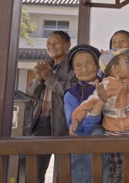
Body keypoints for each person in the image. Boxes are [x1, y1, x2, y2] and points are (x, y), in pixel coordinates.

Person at [70, 48, 129, 183]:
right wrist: (76, 119)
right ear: (116, 69)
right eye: (126, 62)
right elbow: (88, 104)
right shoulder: (105, 86)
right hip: (115, 139)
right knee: (118, 173)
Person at [27, 30, 76, 182]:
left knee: (62, 174)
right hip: (40, 122)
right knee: (34, 171)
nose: (51, 46)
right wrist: (39, 79)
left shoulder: (74, 66)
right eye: (49, 43)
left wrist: (49, 77)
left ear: (67, 45)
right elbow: (31, 95)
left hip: (63, 123)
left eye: (56, 42)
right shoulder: (46, 65)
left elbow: (71, 92)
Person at [63, 44, 109, 182]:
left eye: (88, 63)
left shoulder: (110, 85)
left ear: (98, 65)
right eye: (78, 65)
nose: (84, 69)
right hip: (84, 149)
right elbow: (78, 129)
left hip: (111, 148)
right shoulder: (71, 95)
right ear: (73, 70)